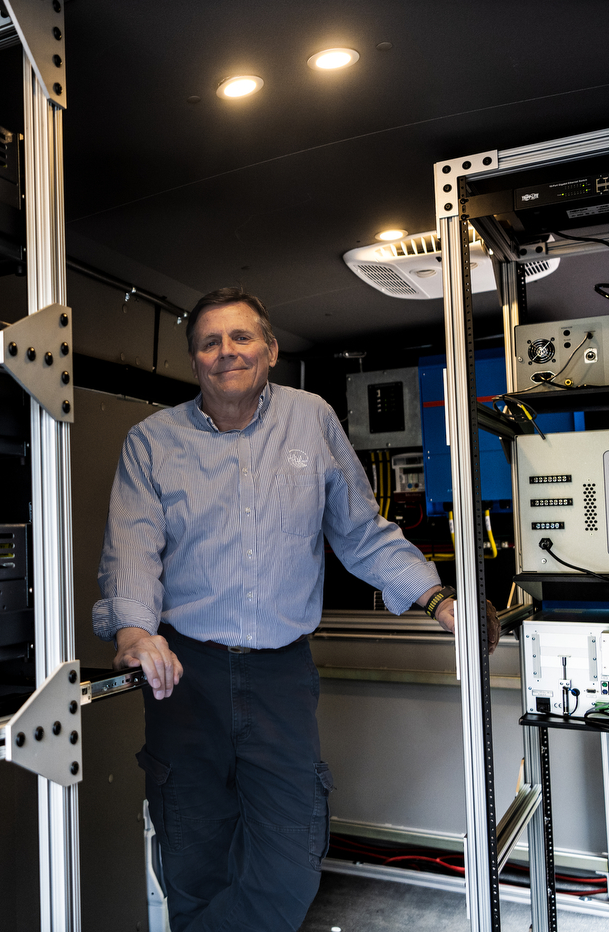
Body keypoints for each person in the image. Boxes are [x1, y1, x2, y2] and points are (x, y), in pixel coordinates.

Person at [92, 287, 497, 932]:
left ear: (271, 350)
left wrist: (438, 597)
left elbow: (360, 531)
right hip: (184, 677)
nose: (226, 352)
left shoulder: (311, 419)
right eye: (210, 343)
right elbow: (132, 549)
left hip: (281, 675)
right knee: (191, 850)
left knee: (291, 854)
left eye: (241, 337)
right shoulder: (152, 443)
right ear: (194, 360)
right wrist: (137, 632)